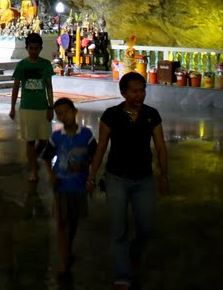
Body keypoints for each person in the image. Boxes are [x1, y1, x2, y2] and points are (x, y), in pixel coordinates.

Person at [87, 71, 168, 290]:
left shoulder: (152, 114)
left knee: (147, 227)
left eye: (142, 90)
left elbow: (160, 146)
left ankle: (134, 253)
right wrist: (92, 176)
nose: (139, 95)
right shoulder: (111, 115)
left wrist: (164, 174)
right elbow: (102, 147)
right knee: (119, 228)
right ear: (123, 93)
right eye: (134, 91)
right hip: (116, 178)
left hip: (144, 178)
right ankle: (122, 274)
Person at [43, 98, 97, 278]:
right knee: (61, 221)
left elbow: (95, 156)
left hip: (79, 185)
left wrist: (86, 171)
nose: (63, 116)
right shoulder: (56, 137)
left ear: (75, 111)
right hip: (61, 184)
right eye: (59, 114)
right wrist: (51, 175)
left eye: (66, 112)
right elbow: (46, 157)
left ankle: (68, 248)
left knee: (73, 220)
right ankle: (63, 260)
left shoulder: (87, 135)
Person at [9, 32, 54, 183]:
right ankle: (33, 171)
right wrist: (12, 107)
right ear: (26, 48)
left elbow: (49, 86)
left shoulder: (45, 65)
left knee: (44, 140)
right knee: (29, 140)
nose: (33, 51)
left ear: (40, 48)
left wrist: (51, 106)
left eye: (36, 48)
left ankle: (33, 157)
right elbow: (15, 87)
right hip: (27, 107)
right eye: (31, 48)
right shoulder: (22, 65)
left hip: (42, 106)